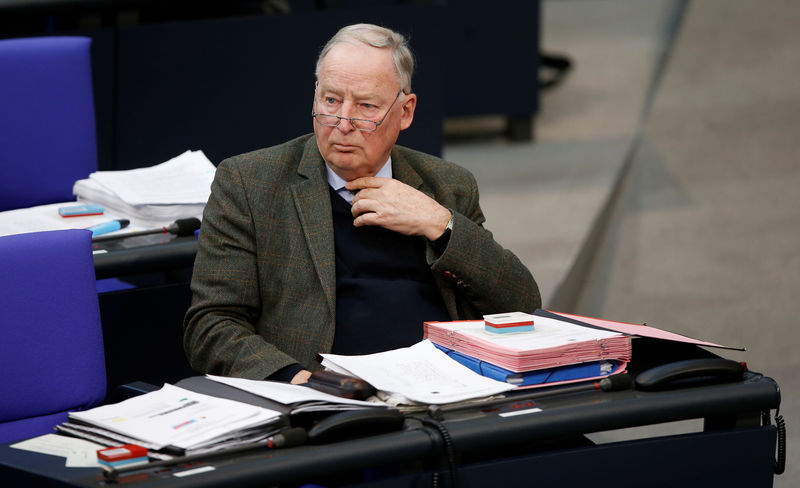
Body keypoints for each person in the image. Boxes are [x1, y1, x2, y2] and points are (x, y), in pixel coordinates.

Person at [184, 23, 541, 385]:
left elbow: (521, 305)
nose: (342, 123)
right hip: (324, 396)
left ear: (405, 112)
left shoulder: (446, 185)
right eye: (331, 100)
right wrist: (302, 382)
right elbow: (212, 326)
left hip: (444, 386)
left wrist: (440, 225)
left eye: (366, 106)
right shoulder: (250, 183)